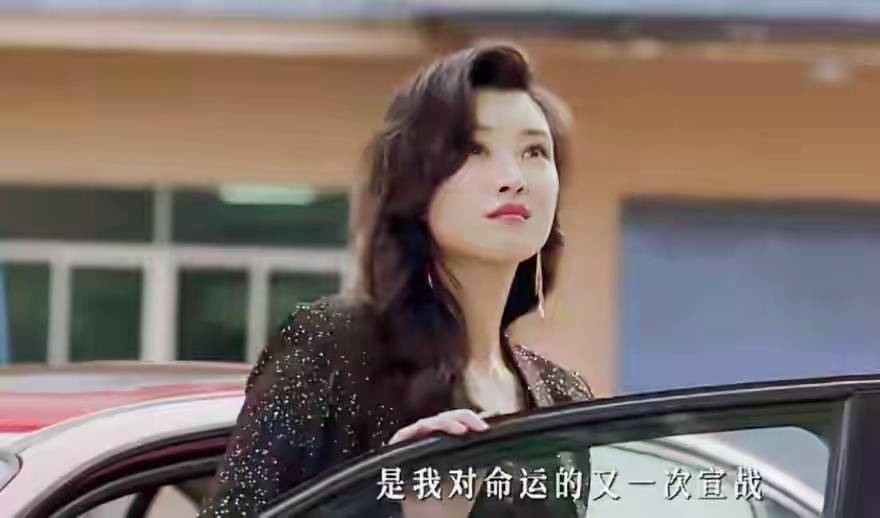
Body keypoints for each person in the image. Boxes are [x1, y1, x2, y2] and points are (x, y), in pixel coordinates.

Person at [197, 41, 594, 518]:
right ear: (416, 183)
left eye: (534, 151)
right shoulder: (336, 347)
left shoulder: (563, 395)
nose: (514, 178)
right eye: (474, 149)